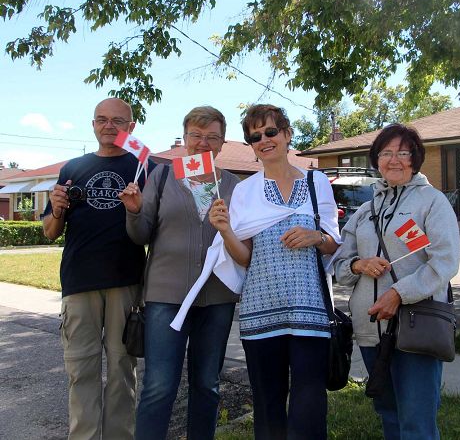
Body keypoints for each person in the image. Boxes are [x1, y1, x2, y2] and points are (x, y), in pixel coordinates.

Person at [208, 104, 341, 440]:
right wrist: (225, 231)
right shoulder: (245, 190)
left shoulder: (317, 182)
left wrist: (317, 236)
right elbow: (244, 258)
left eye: (270, 132)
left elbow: (334, 244)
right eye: (255, 137)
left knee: (309, 403)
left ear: (286, 134)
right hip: (260, 313)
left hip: (310, 310)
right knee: (268, 407)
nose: (263, 140)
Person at [119, 106, 240, 440]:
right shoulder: (161, 176)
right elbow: (141, 234)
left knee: (207, 384)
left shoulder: (233, 185)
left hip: (217, 298)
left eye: (211, 137)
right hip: (166, 297)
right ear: (185, 139)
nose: (203, 143)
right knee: (159, 385)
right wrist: (133, 212)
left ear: (222, 143)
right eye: (196, 136)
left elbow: (242, 242)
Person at [333, 123, 460, 440]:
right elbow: (339, 266)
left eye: (403, 152)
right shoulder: (366, 210)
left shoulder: (432, 202)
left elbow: (445, 261)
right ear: (376, 159)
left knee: (416, 423)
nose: (394, 160)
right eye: (386, 153)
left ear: (415, 159)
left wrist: (398, 294)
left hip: (416, 327)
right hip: (370, 329)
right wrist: (359, 264)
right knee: (388, 415)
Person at [43, 98, 155, 439]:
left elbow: (152, 227)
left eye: (118, 121)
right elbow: (50, 231)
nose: (109, 126)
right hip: (79, 282)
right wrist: (57, 208)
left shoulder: (143, 167)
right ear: (93, 124)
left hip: (125, 281)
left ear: (131, 128)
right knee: (81, 370)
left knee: (123, 370)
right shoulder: (72, 168)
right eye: (102, 120)